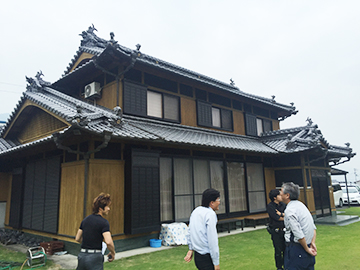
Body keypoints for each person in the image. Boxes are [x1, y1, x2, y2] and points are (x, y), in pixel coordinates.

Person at [280, 182, 317, 270]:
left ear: (287, 195)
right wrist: (312, 243)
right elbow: (313, 227)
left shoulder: (290, 210)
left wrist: (306, 249)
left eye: (281, 191)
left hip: (296, 249)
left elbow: (298, 233)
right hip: (306, 245)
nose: (279, 193)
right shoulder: (302, 205)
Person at [75, 193, 116, 270]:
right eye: (107, 206)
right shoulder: (104, 222)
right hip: (95, 258)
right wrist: (113, 253)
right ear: (100, 209)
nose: (109, 209)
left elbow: (77, 238)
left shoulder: (85, 220)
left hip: (82, 256)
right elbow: (109, 242)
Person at [184, 188, 221, 270]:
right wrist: (216, 263)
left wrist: (191, 249)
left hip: (198, 257)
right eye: (218, 200)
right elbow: (212, 240)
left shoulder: (196, 211)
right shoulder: (210, 214)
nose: (219, 202)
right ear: (212, 203)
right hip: (207, 257)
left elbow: (189, 231)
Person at [267, 189, 286, 270]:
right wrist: (285, 217)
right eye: (279, 195)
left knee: (286, 249)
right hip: (276, 231)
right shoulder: (270, 206)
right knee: (278, 250)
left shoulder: (283, 205)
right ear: (275, 197)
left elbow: (288, 214)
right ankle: (279, 267)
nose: (281, 196)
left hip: (284, 230)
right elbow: (276, 218)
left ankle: (286, 265)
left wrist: (282, 214)